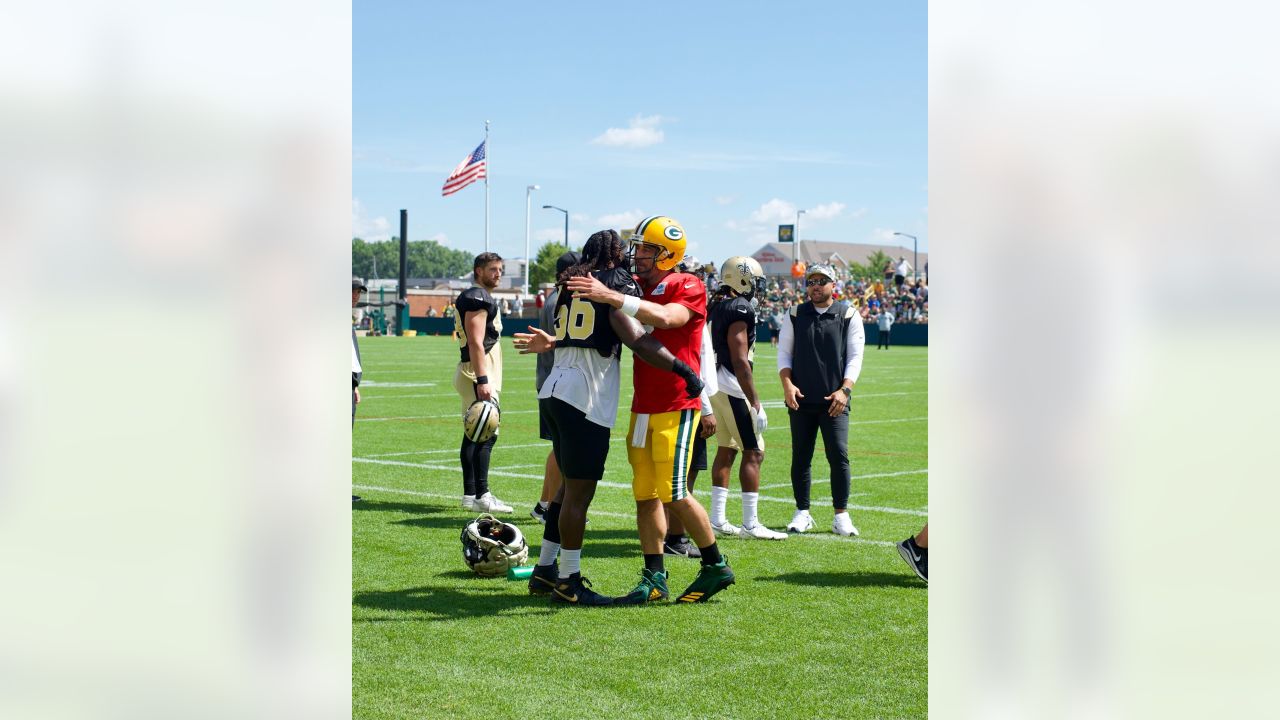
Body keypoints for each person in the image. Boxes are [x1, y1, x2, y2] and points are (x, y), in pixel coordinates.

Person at [514, 230, 704, 606]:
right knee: (577, 496)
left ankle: (545, 570)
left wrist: (552, 342)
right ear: (614, 253)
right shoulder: (614, 282)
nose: (633, 257)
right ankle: (569, 580)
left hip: (556, 386)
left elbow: (584, 332)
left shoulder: (573, 282)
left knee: (566, 490)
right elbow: (637, 339)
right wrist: (684, 370)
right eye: (626, 249)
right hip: (585, 396)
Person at [567, 215, 734, 605]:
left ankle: (715, 564)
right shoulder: (637, 284)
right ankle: (655, 576)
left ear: (667, 253)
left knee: (674, 492)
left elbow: (666, 317)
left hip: (678, 402)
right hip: (643, 405)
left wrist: (613, 297)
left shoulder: (686, 283)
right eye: (637, 246)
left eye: (645, 248)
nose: (636, 254)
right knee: (644, 494)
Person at [777, 264, 865, 537]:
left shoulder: (848, 314)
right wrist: (787, 384)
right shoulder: (794, 313)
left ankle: (841, 515)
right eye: (811, 281)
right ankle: (802, 512)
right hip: (801, 399)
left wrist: (845, 390)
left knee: (838, 455)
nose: (816, 285)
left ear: (833, 285)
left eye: (822, 281)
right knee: (800, 457)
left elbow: (854, 357)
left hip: (834, 400)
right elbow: (784, 354)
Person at [706, 257, 786, 540]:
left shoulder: (716, 304)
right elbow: (740, 360)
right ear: (741, 278)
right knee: (754, 452)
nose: (756, 288)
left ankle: (716, 519)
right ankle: (750, 524)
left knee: (726, 450)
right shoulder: (740, 307)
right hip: (731, 386)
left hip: (714, 386)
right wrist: (755, 401)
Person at [662, 256, 718, 559]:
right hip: (687, 400)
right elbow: (694, 365)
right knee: (684, 476)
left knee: (675, 477)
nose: (700, 281)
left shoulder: (688, 308)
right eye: (694, 274)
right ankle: (676, 537)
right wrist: (707, 407)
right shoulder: (683, 311)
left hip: (682, 398)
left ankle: (670, 537)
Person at [453, 252, 512, 514]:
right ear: (478, 271)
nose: (498, 273)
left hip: (476, 372)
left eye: (500, 269)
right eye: (492, 269)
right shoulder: (477, 297)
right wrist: (483, 379)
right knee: (486, 433)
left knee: (474, 432)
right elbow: (476, 342)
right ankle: (482, 494)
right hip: (478, 373)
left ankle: (470, 495)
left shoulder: (482, 296)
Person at [530, 251, 581, 524]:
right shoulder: (560, 301)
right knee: (562, 449)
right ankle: (548, 506)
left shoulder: (556, 298)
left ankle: (544, 504)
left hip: (553, 380)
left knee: (559, 448)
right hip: (557, 382)